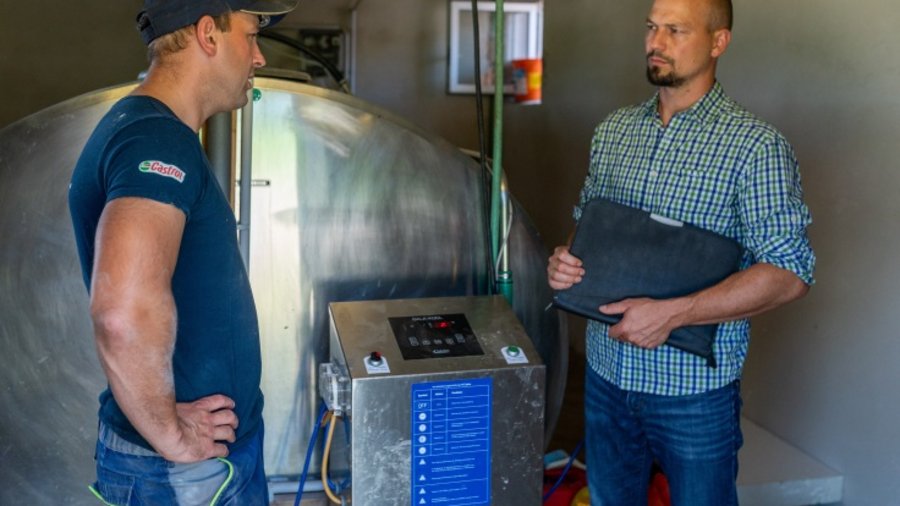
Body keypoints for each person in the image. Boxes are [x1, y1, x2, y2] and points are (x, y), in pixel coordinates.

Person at [547, 0, 815, 504]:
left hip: (693, 393)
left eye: (676, 30)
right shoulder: (615, 131)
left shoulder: (755, 146)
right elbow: (589, 225)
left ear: (718, 42)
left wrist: (675, 314)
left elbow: (789, 272)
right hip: (605, 376)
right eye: (652, 27)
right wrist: (566, 261)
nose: (656, 42)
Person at [68, 1, 298, 504]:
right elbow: (122, 314)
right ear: (208, 34)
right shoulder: (156, 140)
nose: (258, 57)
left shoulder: (148, 129)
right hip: (180, 472)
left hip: (196, 465)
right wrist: (171, 434)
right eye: (251, 35)